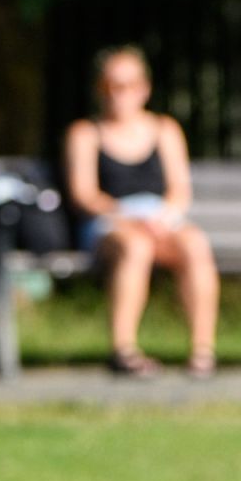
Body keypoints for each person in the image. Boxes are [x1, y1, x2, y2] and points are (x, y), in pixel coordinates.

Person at [64, 45, 219, 377]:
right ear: (99, 89)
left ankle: (202, 351)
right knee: (135, 245)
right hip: (109, 222)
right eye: (112, 86)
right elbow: (85, 194)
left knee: (194, 243)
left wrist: (163, 217)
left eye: (129, 85)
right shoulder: (85, 134)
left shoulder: (165, 129)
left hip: (160, 220)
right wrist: (128, 216)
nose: (120, 94)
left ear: (144, 88)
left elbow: (179, 190)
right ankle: (124, 349)